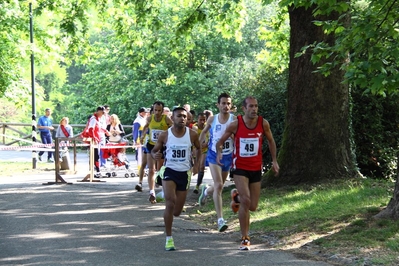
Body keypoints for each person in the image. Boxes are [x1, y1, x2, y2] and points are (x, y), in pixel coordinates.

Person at [215, 96, 279, 251]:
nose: (254, 109)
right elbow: (220, 142)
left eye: (256, 106)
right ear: (244, 108)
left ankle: (236, 195)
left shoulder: (263, 123)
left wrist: (275, 161)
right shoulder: (236, 124)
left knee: (253, 206)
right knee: (246, 200)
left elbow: (271, 141)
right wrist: (219, 153)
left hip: (256, 168)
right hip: (240, 168)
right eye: (251, 106)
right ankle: (245, 237)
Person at [151, 107, 201, 251]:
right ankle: (169, 238)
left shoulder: (192, 134)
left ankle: (164, 195)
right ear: (172, 118)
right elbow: (155, 150)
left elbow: (198, 148)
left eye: (185, 116)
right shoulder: (165, 135)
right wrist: (155, 155)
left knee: (177, 211)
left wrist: (197, 164)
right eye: (179, 116)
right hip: (169, 171)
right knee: (170, 202)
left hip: (184, 173)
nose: (182, 119)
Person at [198, 92, 236, 232]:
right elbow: (203, 132)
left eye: (228, 103)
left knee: (218, 185)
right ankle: (220, 220)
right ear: (218, 105)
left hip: (227, 156)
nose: (226, 106)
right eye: (223, 103)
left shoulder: (234, 119)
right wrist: (201, 141)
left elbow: (237, 136)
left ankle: (206, 191)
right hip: (214, 154)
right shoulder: (213, 119)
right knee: (219, 185)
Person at [140, 101, 173, 203]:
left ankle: (164, 190)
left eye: (159, 110)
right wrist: (143, 135)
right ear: (153, 110)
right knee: (151, 169)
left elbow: (173, 128)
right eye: (155, 110)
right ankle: (152, 192)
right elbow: (146, 127)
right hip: (151, 145)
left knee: (161, 169)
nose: (157, 112)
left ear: (162, 111)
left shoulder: (166, 119)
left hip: (163, 146)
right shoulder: (150, 118)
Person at [87, 106, 110, 177]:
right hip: (94, 139)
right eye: (102, 112)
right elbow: (91, 129)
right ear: (98, 111)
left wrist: (106, 131)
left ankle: (97, 170)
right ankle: (96, 171)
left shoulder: (99, 119)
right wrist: (94, 138)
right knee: (95, 155)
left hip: (99, 138)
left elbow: (100, 128)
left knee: (97, 155)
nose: (103, 114)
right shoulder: (94, 119)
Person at [132, 107, 150, 192]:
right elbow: (135, 132)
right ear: (141, 113)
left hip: (145, 140)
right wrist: (136, 140)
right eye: (145, 112)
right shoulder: (137, 121)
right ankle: (140, 171)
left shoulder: (144, 119)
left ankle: (144, 170)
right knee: (140, 157)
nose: (146, 113)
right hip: (140, 140)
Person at [192, 113, 208, 194]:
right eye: (200, 119)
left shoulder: (207, 126)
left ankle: (197, 186)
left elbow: (211, 137)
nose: (202, 121)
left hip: (205, 149)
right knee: (196, 167)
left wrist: (207, 143)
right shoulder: (195, 127)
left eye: (204, 120)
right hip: (196, 148)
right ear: (197, 119)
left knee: (201, 166)